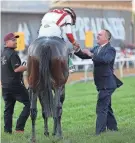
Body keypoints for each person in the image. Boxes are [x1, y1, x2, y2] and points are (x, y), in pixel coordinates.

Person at [75, 29, 123, 135]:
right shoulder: (97, 48)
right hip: (101, 83)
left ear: (107, 38)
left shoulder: (111, 50)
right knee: (107, 106)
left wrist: (91, 55)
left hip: (107, 84)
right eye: (97, 35)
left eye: (100, 35)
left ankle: (100, 133)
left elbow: (105, 60)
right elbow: (84, 55)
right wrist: (77, 50)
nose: (97, 36)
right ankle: (113, 128)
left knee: (101, 107)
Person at [1, 32, 30, 134]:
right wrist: (29, 66)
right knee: (29, 104)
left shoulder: (2, 53)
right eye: (13, 40)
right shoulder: (13, 53)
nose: (16, 41)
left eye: (16, 39)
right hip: (15, 85)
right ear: (6, 42)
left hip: (4, 86)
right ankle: (19, 128)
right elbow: (17, 69)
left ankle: (7, 131)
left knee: (8, 109)